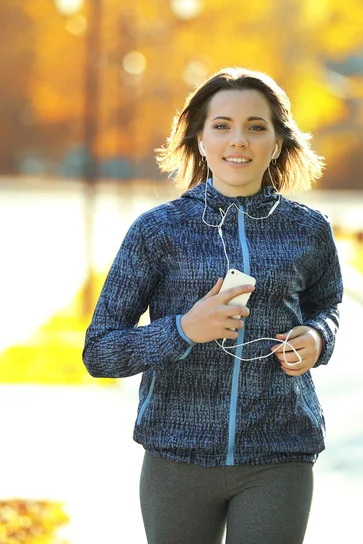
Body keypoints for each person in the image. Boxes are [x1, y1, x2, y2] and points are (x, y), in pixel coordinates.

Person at [83, 67, 343, 544]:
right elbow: (100, 351)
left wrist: (318, 337)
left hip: (280, 452)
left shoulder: (309, 229)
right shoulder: (158, 230)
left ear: (278, 142)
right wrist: (182, 328)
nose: (237, 140)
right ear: (200, 139)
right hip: (177, 456)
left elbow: (328, 306)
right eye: (221, 126)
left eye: (255, 127)